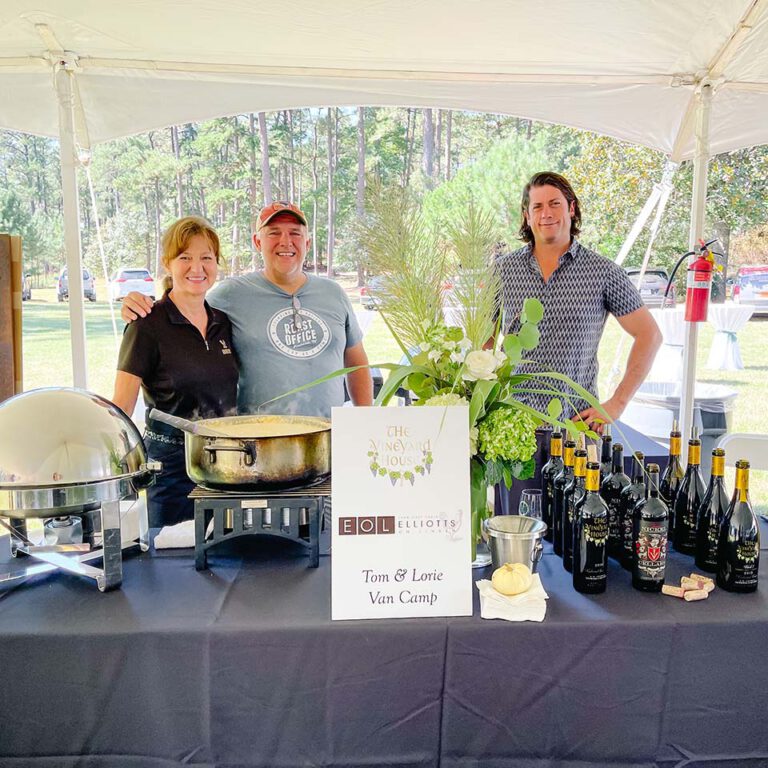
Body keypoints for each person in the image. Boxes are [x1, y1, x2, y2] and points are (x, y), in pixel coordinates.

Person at [494, 171, 662, 515]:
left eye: (555, 203)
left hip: (577, 432)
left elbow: (650, 336)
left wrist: (615, 404)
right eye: (536, 206)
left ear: (571, 209)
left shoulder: (603, 272)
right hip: (514, 432)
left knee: (577, 538)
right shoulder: (503, 271)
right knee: (517, 537)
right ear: (527, 215)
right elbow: (481, 345)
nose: (546, 213)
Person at [120, 201, 373, 419]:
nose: (285, 241)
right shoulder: (230, 295)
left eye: (295, 233)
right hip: (260, 449)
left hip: (328, 442)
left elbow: (357, 363)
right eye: (274, 232)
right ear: (257, 241)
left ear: (307, 241)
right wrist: (138, 306)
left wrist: (365, 419)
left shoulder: (334, 293)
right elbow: (186, 300)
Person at [112, 216, 239, 527]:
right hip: (170, 471)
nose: (197, 268)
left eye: (206, 258)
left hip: (225, 466)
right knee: (172, 565)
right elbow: (120, 409)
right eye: (185, 257)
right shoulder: (147, 323)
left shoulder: (223, 322)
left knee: (224, 561)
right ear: (167, 263)